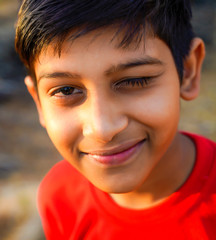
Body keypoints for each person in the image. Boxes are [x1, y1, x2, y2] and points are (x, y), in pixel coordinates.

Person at [14, 0, 216, 239]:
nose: (102, 128)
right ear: (38, 101)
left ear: (189, 71)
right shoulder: (59, 195)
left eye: (134, 80)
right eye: (66, 90)